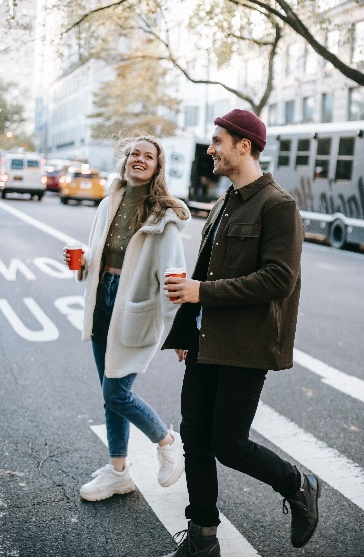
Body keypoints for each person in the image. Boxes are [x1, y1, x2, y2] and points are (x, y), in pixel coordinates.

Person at [162, 110, 320, 556]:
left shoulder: (279, 206)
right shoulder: (224, 200)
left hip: (246, 345)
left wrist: (200, 293)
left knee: (228, 444)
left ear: (244, 146)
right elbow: (204, 270)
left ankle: (298, 484)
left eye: (217, 141)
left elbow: (278, 279)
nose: (210, 149)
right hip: (206, 339)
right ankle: (203, 536)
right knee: (195, 437)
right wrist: (186, 332)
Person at [63, 135, 191, 502]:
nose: (139, 159)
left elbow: (173, 276)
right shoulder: (108, 203)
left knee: (116, 391)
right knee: (110, 392)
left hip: (134, 308)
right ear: (126, 160)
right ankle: (118, 472)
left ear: (157, 167)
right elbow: (99, 250)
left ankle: (167, 443)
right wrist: (83, 261)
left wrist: (179, 331)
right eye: (134, 153)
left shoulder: (163, 217)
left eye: (148, 156)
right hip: (102, 301)